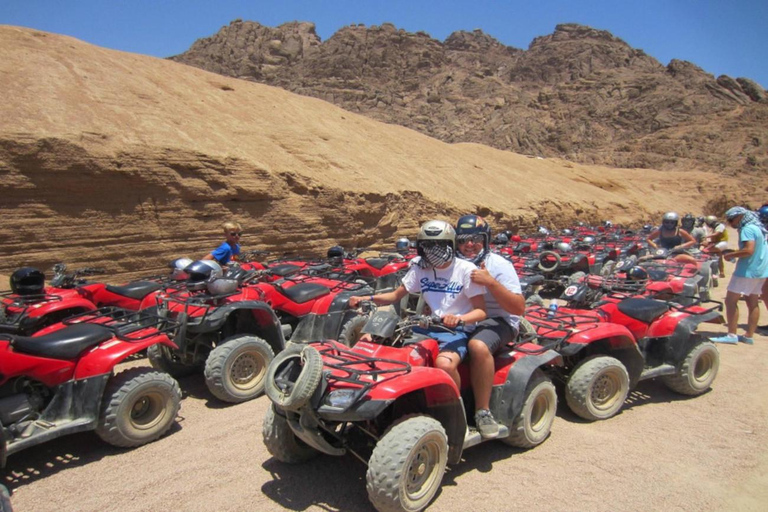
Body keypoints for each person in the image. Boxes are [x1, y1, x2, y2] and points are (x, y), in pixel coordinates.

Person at [348, 220, 487, 389]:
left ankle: (453, 406)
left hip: (455, 330)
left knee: (445, 364)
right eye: (427, 245)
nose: (433, 249)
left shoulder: (466, 269)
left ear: (451, 244)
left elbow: (481, 312)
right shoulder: (421, 267)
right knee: (368, 340)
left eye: (440, 244)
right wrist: (366, 299)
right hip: (424, 325)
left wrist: (458, 319)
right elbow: (394, 296)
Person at [455, 214, 525, 439]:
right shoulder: (453, 264)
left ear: (486, 240)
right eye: (464, 239)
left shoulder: (499, 265)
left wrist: (491, 282)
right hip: (464, 318)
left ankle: (482, 411)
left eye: (476, 239)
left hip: (500, 319)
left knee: (478, 346)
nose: (469, 244)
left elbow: (518, 308)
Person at [710, 207, 768, 345]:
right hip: (760, 270)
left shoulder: (747, 229)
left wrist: (730, 255)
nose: (731, 223)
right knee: (752, 302)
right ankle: (748, 336)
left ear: (740, 217)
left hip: (746, 271)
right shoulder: (758, 228)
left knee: (730, 301)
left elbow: (748, 250)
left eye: (731, 220)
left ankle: (731, 335)